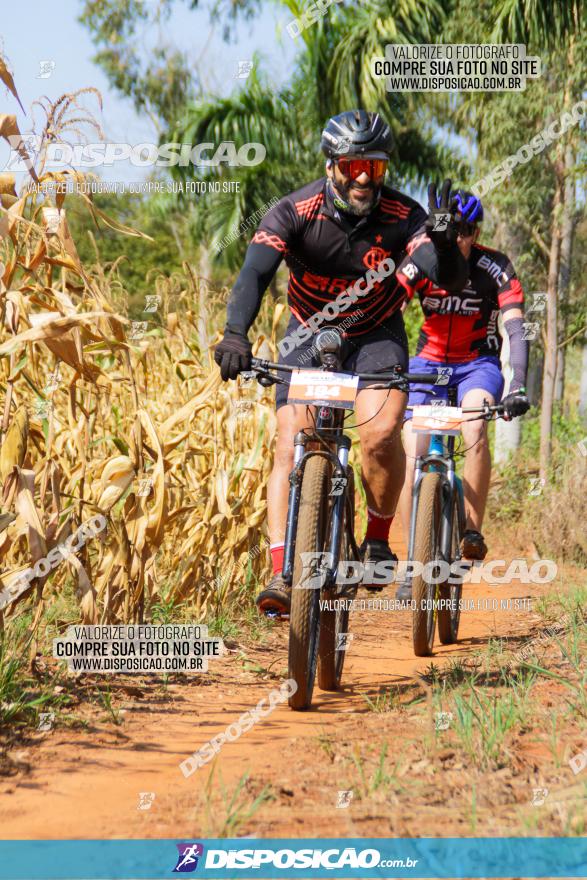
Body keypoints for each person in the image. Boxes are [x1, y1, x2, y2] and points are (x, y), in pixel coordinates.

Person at [214, 109, 469, 618]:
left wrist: (443, 245)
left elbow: (450, 280)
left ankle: (376, 539)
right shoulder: (294, 211)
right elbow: (253, 274)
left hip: (376, 335)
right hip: (309, 336)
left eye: (373, 168)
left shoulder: (404, 216)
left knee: (379, 433)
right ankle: (284, 571)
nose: (361, 179)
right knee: (291, 441)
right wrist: (235, 333)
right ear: (331, 165)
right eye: (352, 166)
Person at [395, 190, 530, 597]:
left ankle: (472, 529)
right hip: (427, 364)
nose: (461, 239)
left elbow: (516, 328)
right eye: (455, 230)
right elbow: (390, 309)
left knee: (474, 425)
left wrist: (519, 380)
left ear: (478, 231)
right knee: (413, 448)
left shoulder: (496, 266)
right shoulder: (421, 259)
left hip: (477, 366)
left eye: (469, 231)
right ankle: (411, 564)